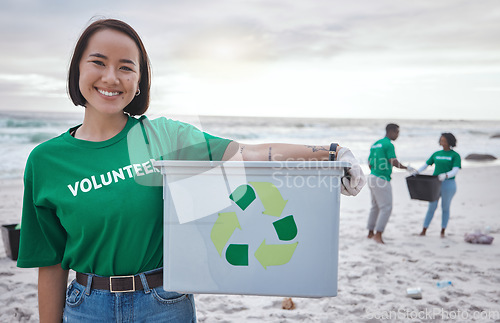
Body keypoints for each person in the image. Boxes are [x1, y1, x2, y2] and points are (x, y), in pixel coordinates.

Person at [16, 18, 366, 322]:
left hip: (163, 302)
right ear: (78, 69)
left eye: (126, 67)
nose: (111, 77)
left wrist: (329, 154)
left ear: (139, 81)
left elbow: (248, 154)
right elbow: (50, 263)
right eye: (98, 62)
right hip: (86, 306)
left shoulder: (164, 136)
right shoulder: (46, 161)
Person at [367, 123, 414, 244]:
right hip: (382, 178)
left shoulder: (375, 144)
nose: (398, 135)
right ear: (391, 131)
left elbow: (369, 162)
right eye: (397, 132)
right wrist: (406, 168)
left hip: (372, 176)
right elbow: (393, 161)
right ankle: (378, 235)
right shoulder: (389, 144)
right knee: (386, 207)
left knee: (375, 206)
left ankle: (370, 233)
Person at [415, 133, 461, 237]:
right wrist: (417, 171)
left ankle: (443, 230)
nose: (442, 142)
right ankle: (424, 230)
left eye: (444, 140)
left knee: (445, 207)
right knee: (432, 206)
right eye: (441, 140)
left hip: (448, 184)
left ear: (450, 141)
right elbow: (426, 165)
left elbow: (455, 170)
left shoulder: (455, 155)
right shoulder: (436, 154)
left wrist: (446, 175)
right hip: (435, 183)